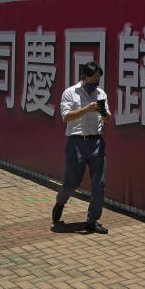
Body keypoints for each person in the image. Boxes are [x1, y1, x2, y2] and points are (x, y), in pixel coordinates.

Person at [51, 60, 111, 233]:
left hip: (96, 143)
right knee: (71, 183)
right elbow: (66, 116)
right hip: (76, 142)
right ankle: (60, 202)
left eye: (98, 80)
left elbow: (108, 119)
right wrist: (86, 109)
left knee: (99, 183)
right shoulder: (70, 93)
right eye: (92, 80)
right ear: (84, 77)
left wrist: (102, 112)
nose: (95, 83)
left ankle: (92, 220)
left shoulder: (101, 94)